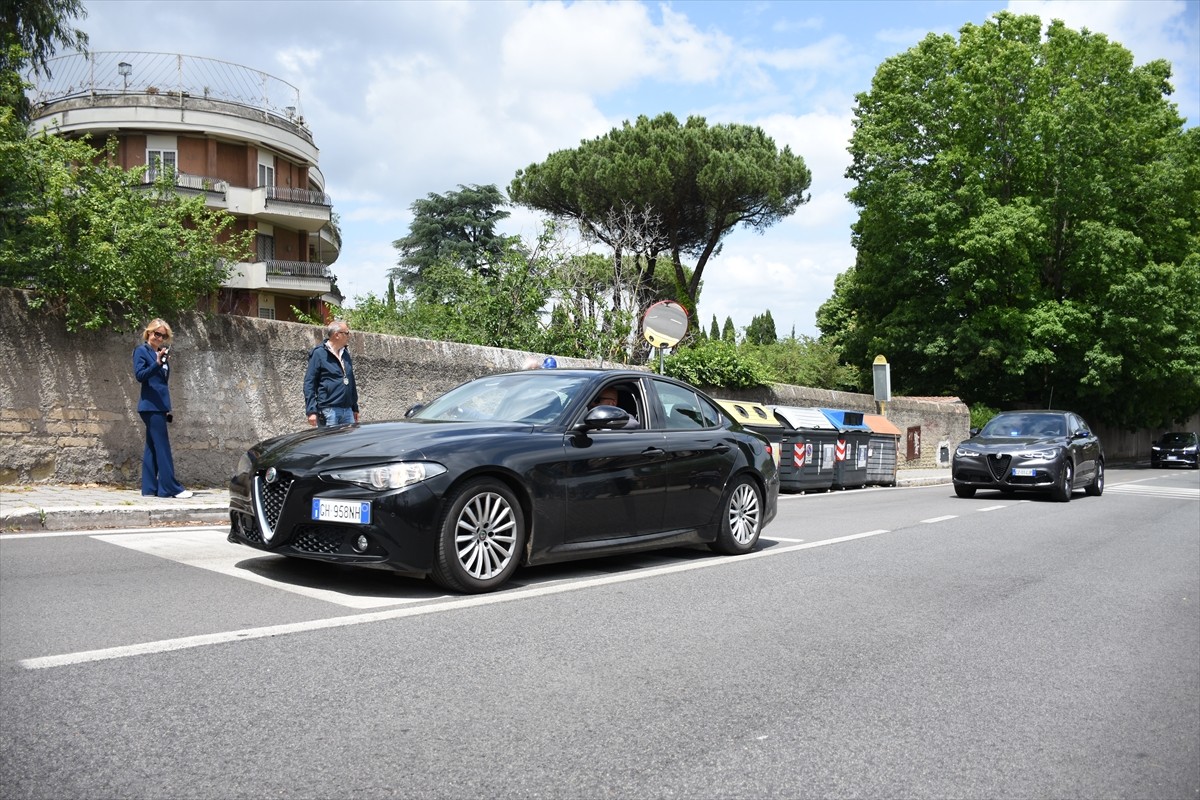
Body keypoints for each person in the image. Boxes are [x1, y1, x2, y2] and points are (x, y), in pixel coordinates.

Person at [132, 318, 192, 498]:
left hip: (159, 406)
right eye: (157, 334)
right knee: (162, 446)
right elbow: (140, 376)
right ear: (149, 333)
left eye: (163, 336)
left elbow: (162, 384)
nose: (159, 338)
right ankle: (171, 488)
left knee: (152, 446)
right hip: (149, 406)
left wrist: (166, 407)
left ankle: (149, 489)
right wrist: (157, 363)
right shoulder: (141, 351)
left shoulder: (160, 353)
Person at [305, 320, 360, 427]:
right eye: (347, 333)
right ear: (337, 335)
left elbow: (351, 381)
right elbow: (309, 383)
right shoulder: (319, 353)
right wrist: (311, 411)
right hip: (329, 411)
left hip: (347, 410)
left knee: (350, 443)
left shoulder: (345, 354)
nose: (349, 336)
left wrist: (354, 407)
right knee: (330, 443)